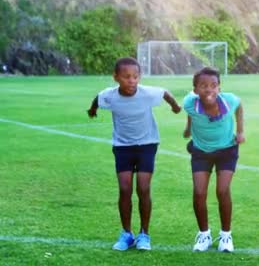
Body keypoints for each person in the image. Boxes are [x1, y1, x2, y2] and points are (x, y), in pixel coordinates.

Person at [87, 57, 181, 251]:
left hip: (147, 144)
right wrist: (92, 109)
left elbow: (165, 93)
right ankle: (127, 234)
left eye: (135, 77)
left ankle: (144, 234)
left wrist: (175, 106)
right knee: (124, 189)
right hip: (122, 147)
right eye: (126, 77)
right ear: (116, 77)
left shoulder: (147, 93)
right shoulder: (110, 96)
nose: (132, 81)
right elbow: (98, 98)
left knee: (143, 188)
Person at [183, 67, 245, 253]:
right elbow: (190, 113)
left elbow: (240, 107)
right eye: (203, 86)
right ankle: (204, 234)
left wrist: (241, 131)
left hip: (227, 150)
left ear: (219, 88)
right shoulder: (189, 103)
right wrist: (188, 129)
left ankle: (226, 235)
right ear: (195, 89)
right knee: (199, 192)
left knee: (222, 190)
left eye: (213, 85)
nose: (209, 89)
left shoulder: (230, 100)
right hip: (201, 152)